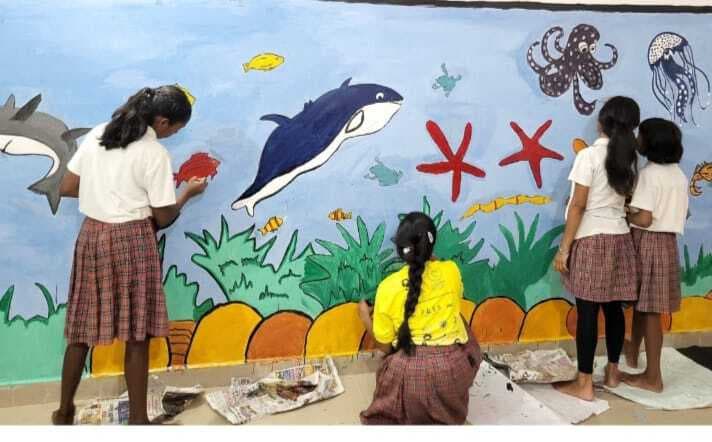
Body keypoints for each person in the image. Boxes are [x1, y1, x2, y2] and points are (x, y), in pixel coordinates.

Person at [52, 85, 208, 425]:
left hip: (92, 237)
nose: (173, 135)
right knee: (137, 335)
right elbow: (163, 217)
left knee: (80, 331)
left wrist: (103, 191)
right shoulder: (153, 153)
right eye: (176, 129)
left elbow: (67, 187)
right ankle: (138, 421)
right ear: (162, 122)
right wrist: (187, 194)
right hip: (132, 240)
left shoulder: (98, 134)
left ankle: (63, 412)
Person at [553, 96, 641, 401]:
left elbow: (578, 205)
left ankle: (585, 384)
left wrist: (564, 249)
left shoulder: (588, 156)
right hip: (620, 239)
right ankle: (613, 373)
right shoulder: (629, 158)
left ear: (602, 122)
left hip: (591, 239)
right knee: (614, 310)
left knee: (588, 312)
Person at [358, 212, 482, 424]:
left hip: (409, 376)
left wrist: (365, 317)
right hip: (455, 370)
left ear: (400, 250)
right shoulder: (451, 270)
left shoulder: (388, 287)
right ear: (431, 246)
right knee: (458, 318)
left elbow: (385, 348)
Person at [623, 118, 688, 393]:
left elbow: (645, 218)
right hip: (668, 243)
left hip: (648, 242)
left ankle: (653, 377)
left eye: (641, 135)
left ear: (651, 143)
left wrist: (625, 214)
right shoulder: (678, 175)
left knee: (649, 310)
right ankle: (633, 352)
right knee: (645, 304)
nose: (637, 139)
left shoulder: (650, 174)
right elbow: (684, 212)